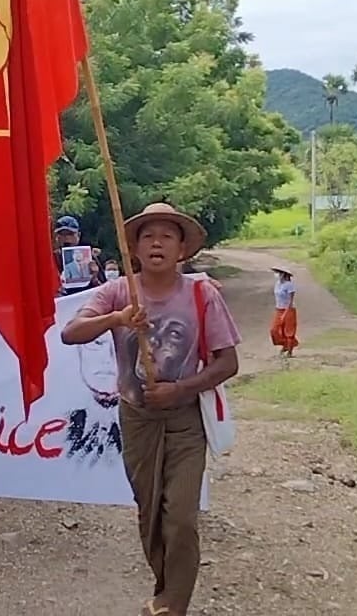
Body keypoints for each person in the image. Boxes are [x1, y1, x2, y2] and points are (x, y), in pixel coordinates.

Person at [60, 203, 241, 616]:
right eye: (147, 235)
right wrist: (116, 318)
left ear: (182, 249)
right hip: (137, 420)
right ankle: (165, 590)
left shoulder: (201, 294)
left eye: (167, 235)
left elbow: (227, 363)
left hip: (185, 421)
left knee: (180, 516)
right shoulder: (118, 292)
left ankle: (172, 605)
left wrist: (181, 389)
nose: (157, 241)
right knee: (150, 514)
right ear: (134, 248)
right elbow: (71, 333)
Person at [53, 215, 103, 295]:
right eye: (62, 234)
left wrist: (94, 278)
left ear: (78, 235)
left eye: (70, 234)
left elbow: (104, 288)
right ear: (57, 237)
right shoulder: (52, 259)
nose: (66, 238)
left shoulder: (89, 256)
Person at [270, 267, 299, 357]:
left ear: (283, 274)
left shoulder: (289, 285)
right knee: (274, 330)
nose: (277, 275)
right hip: (279, 309)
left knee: (289, 331)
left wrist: (285, 313)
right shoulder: (278, 284)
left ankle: (289, 351)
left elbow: (290, 301)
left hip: (289, 309)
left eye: (279, 273)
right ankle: (285, 344)